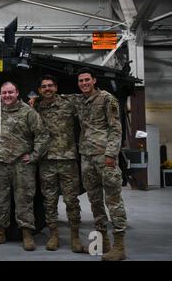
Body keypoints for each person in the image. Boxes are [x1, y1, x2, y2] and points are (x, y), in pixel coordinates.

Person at [0, 82, 49, 251]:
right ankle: (0, 234)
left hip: (22, 165)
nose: (7, 95)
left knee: (24, 199)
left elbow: (42, 135)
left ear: (17, 93)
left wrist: (35, 155)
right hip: (0, 164)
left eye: (10, 92)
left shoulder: (28, 112)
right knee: (0, 200)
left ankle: (27, 235)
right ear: (0, 94)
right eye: (4, 92)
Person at [74, 68, 127, 261]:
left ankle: (119, 246)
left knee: (113, 200)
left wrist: (111, 154)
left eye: (87, 80)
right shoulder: (79, 100)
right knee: (95, 201)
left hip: (105, 157)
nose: (84, 83)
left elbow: (115, 128)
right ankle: (102, 242)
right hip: (87, 157)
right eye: (81, 81)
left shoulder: (107, 99)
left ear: (94, 80)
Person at [33, 75, 85, 253]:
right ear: (40, 90)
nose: (47, 89)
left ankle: (75, 237)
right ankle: (53, 235)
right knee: (49, 201)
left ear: (56, 87)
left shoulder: (68, 103)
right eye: (44, 86)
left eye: (50, 86)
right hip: (46, 161)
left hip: (67, 160)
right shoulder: (36, 106)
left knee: (71, 200)